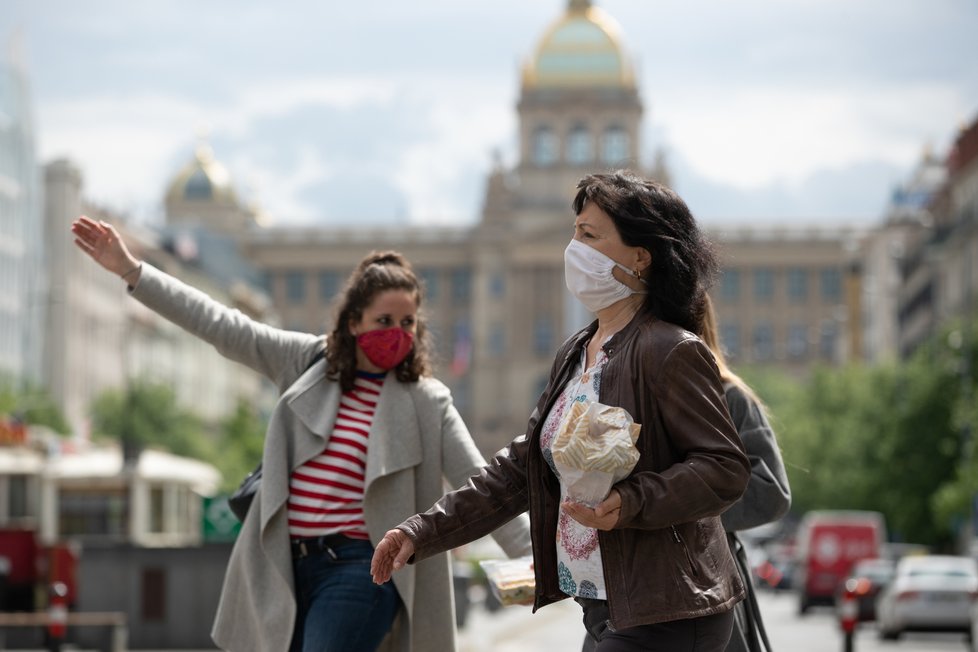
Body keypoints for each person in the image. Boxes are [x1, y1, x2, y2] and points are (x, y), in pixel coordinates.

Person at [70, 216, 531, 652]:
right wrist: (132, 270)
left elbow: (483, 485)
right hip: (284, 566)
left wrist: (542, 558)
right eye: (384, 321)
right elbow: (222, 325)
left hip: (362, 567)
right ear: (354, 323)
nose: (397, 333)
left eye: (407, 323)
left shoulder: (427, 401)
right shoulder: (307, 362)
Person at [371, 170, 753, 652]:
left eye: (589, 235)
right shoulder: (577, 352)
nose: (574, 248)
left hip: (666, 610)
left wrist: (632, 501)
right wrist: (421, 531)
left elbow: (724, 469)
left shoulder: (669, 350)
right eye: (575, 232)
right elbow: (521, 468)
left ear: (640, 256)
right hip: (605, 609)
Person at [700, 294, 791, 652]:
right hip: (626, 603)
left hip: (710, 592)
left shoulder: (730, 398)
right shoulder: (619, 393)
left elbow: (771, 492)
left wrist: (676, 511)